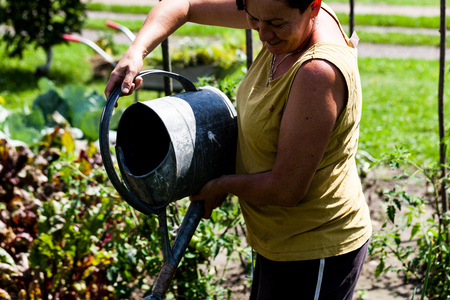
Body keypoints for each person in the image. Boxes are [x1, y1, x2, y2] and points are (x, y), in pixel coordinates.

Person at [105, 0, 372, 299]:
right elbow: (185, 4)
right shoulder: (280, 17)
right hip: (277, 240)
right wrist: (135, 52)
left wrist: (221, 185)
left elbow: (286, 189)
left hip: (314, 248)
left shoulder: (317, 72)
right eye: (254, 19)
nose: (263, 34)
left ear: (313, 7)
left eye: (275, 24)